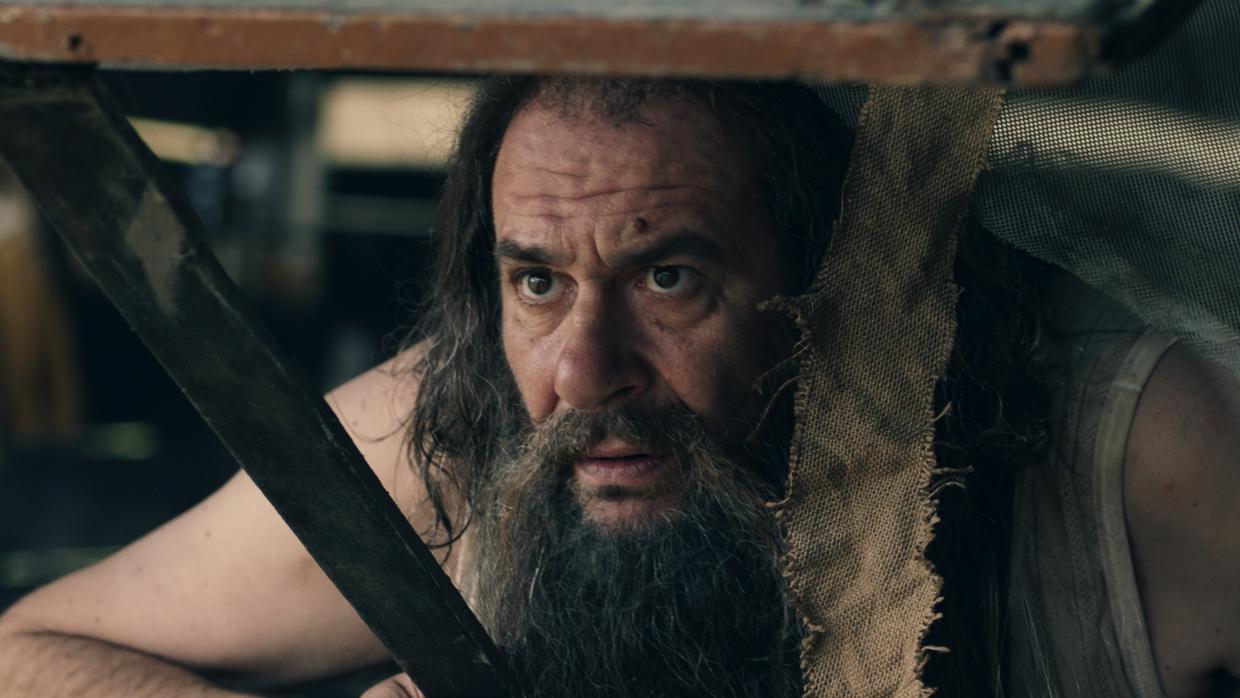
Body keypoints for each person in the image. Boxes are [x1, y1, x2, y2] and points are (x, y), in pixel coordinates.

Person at [0, 76, 1236, 698]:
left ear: (831, 284)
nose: (585, 370)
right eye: (536, 280)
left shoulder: (1128, 447)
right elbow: (29, 652)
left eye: (669, 276)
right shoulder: (461, 425)